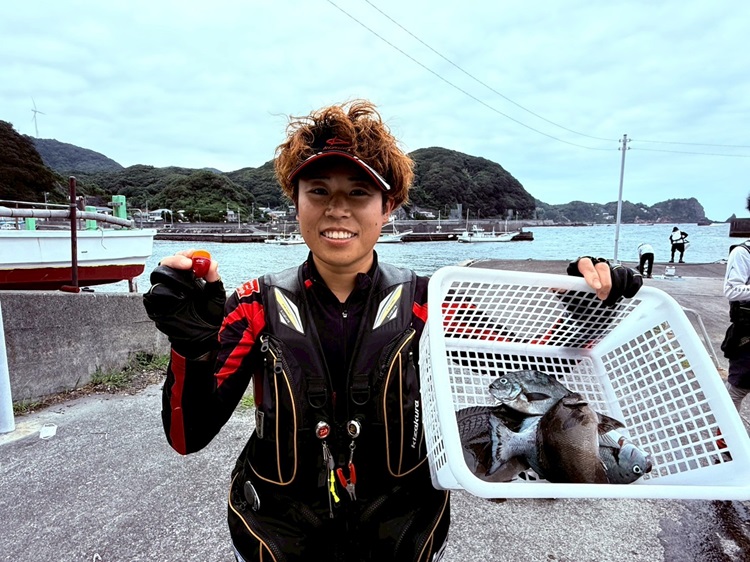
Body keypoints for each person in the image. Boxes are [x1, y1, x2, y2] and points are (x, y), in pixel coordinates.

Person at [142, 100, 643, 562]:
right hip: (274, 538)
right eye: (318, 190)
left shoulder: (431, 302)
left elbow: (535, 372)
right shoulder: (254, 305)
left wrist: (586, 303)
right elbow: (188, 436)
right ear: (296, 202)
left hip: (405, 535)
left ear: (388, 207)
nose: (337, 208)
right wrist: (191, 345)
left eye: (359, 192)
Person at [721, 194, 750, 412]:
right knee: (735, 392)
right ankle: (725, 434)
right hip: (747, 337)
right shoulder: (743, 253)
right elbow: (731, 290)